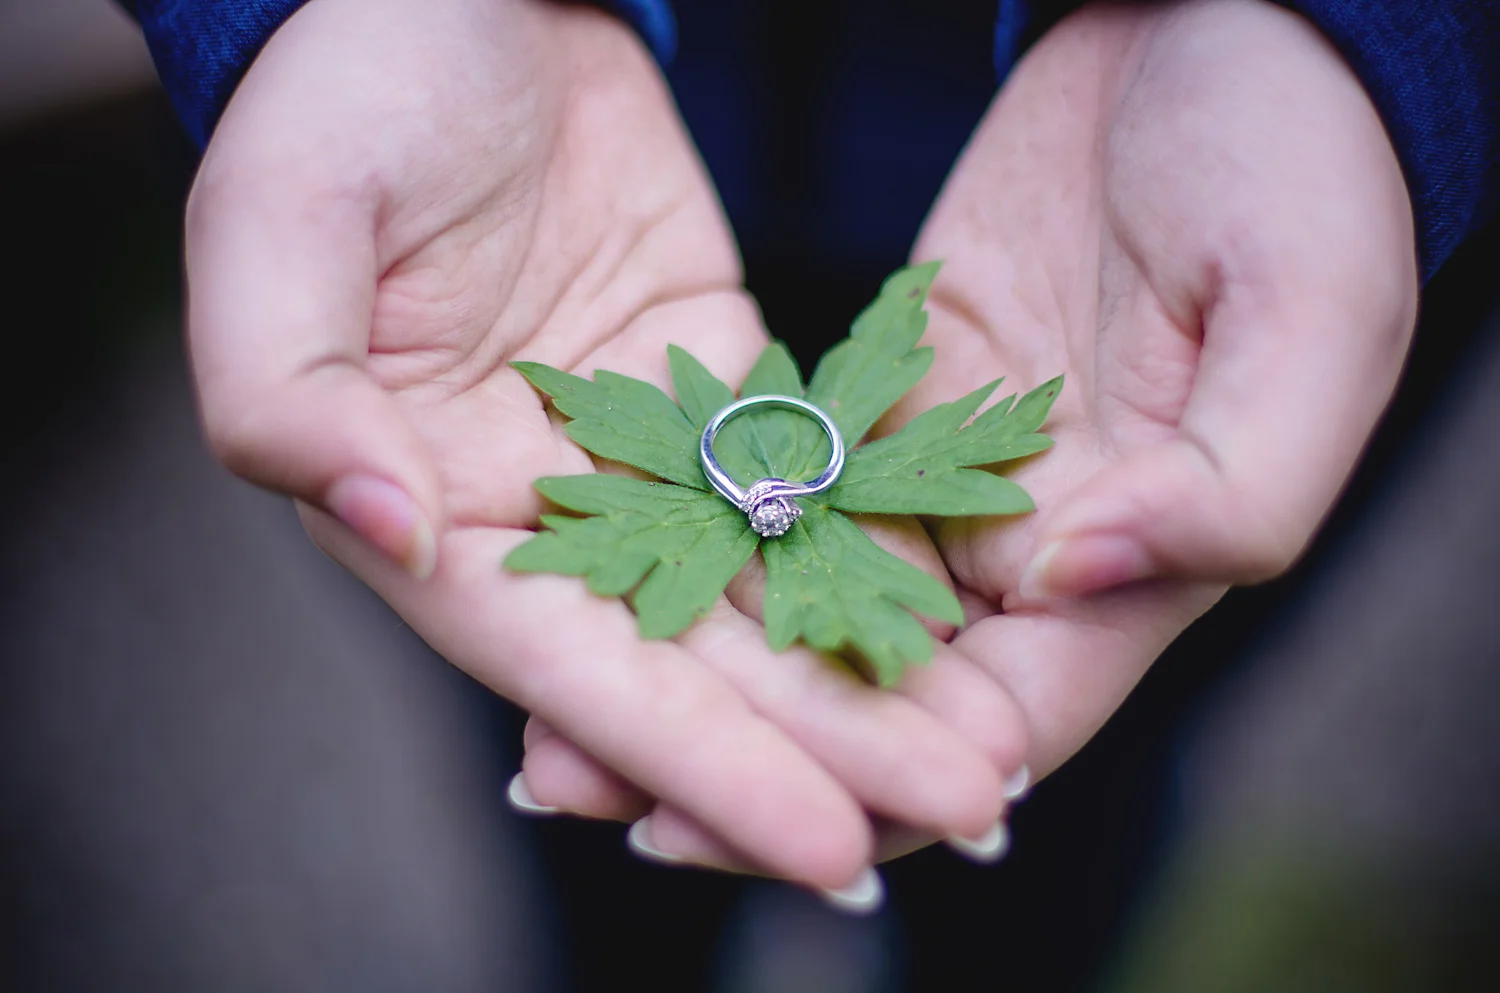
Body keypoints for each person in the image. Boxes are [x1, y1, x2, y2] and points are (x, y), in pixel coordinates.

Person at [123, 0, 1496, 907]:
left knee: (1077, 742)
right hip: (538, 183)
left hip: (1113, 267)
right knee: (590, 767)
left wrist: (1369, 33)